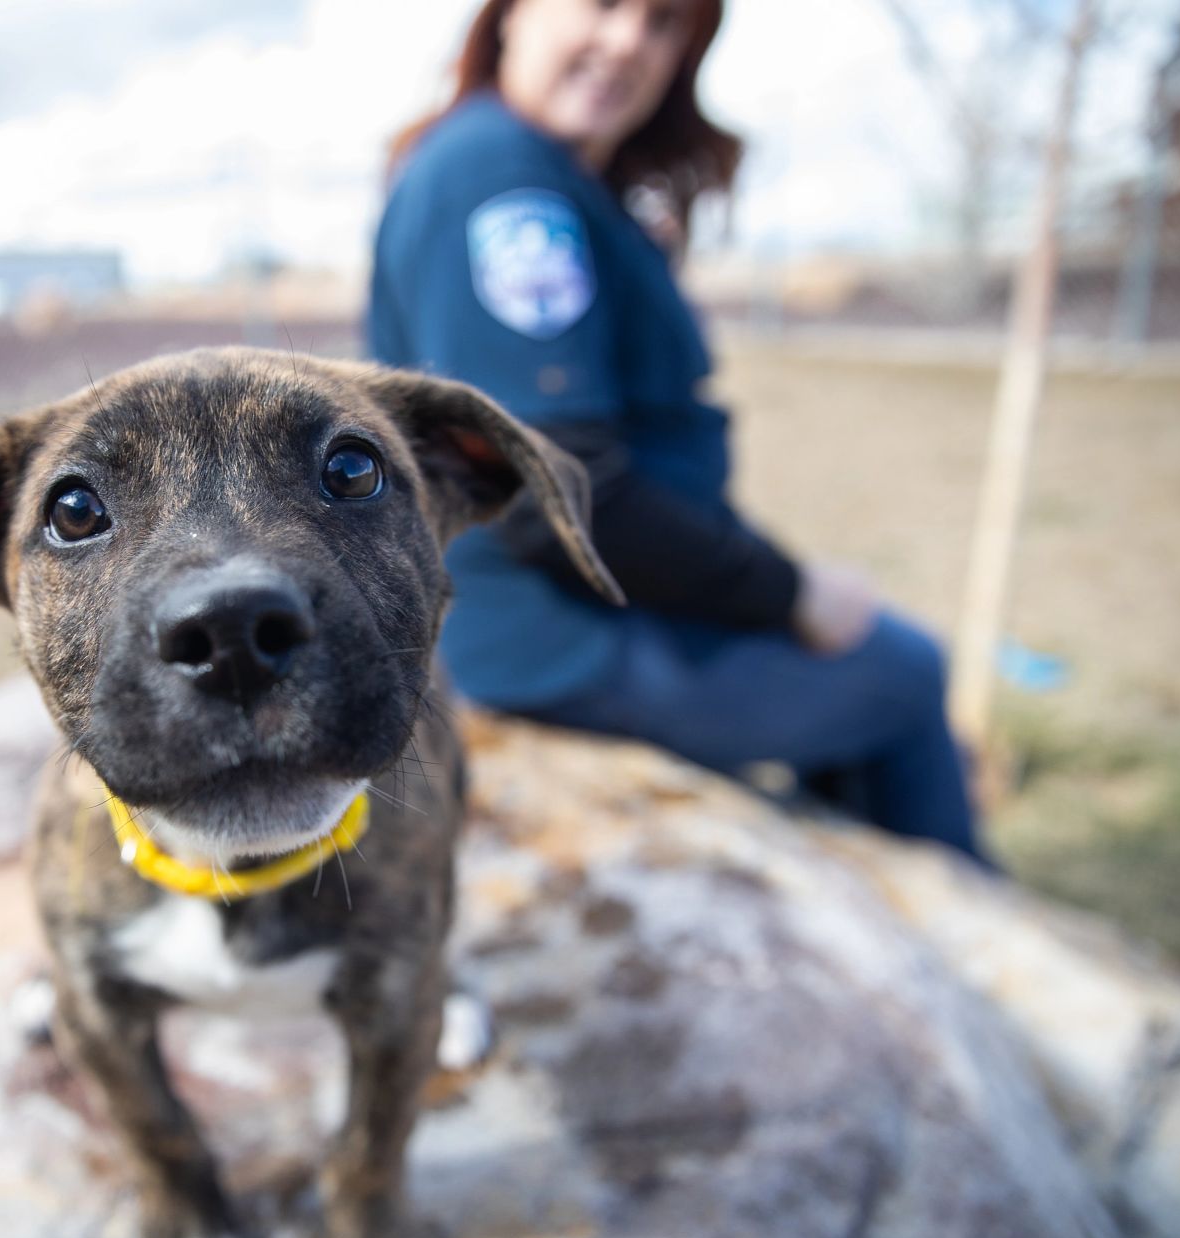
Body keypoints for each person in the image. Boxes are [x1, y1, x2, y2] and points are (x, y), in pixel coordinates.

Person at [367, 0, 989, 863]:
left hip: (599, 606)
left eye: (663, 21)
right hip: (556, 639)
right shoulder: (502, 181)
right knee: (906, 669)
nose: (629, 41)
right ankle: (975, 932)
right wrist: (788, 593)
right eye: (604, 5)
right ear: (512, 14)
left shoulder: (542, 172)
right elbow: (558, 499)